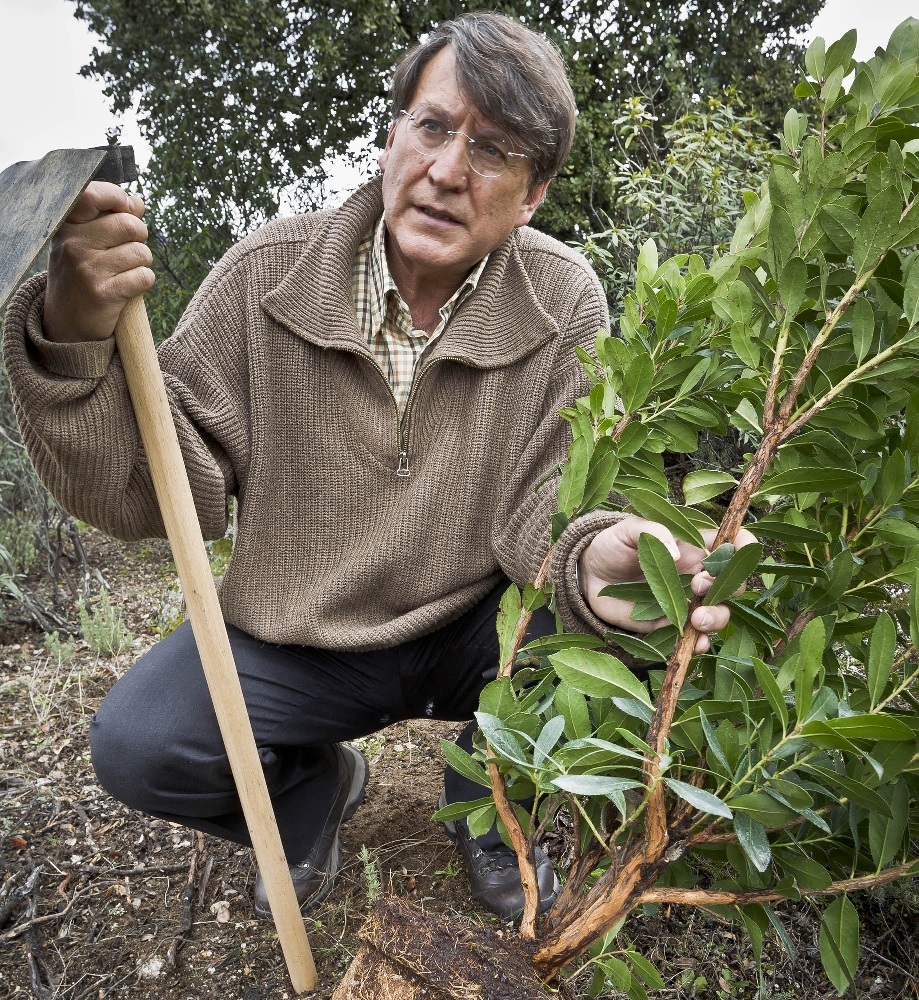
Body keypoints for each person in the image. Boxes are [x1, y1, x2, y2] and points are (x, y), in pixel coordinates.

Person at [3, 12, 746, 921]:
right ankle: (312, 792)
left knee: (633, 633)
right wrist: (73, 336)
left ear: (533, 193)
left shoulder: (563, 298)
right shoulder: (263, 276)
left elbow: (550, 505)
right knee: (141, 745)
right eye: (432, 126)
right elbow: (158, 492)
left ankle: (489, 806)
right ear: (391, 137)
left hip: (476, 625)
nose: (447, 170)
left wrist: (594, 557)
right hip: (299, 636)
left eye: (494, 149)